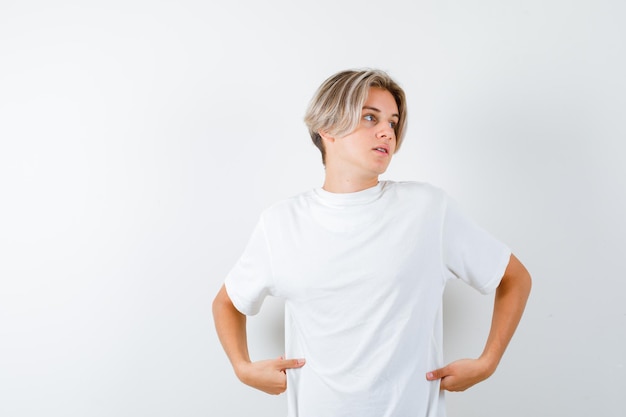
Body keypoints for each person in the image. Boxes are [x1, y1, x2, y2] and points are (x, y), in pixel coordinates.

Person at [212, 69, 532, 417]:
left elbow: (513, 277)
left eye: (393, 122)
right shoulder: (281, 223)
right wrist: (242, 368)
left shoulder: (427, 210)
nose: (387, 132)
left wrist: (488, 362)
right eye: (370, 117)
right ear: (328, 127)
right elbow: (227, 302)